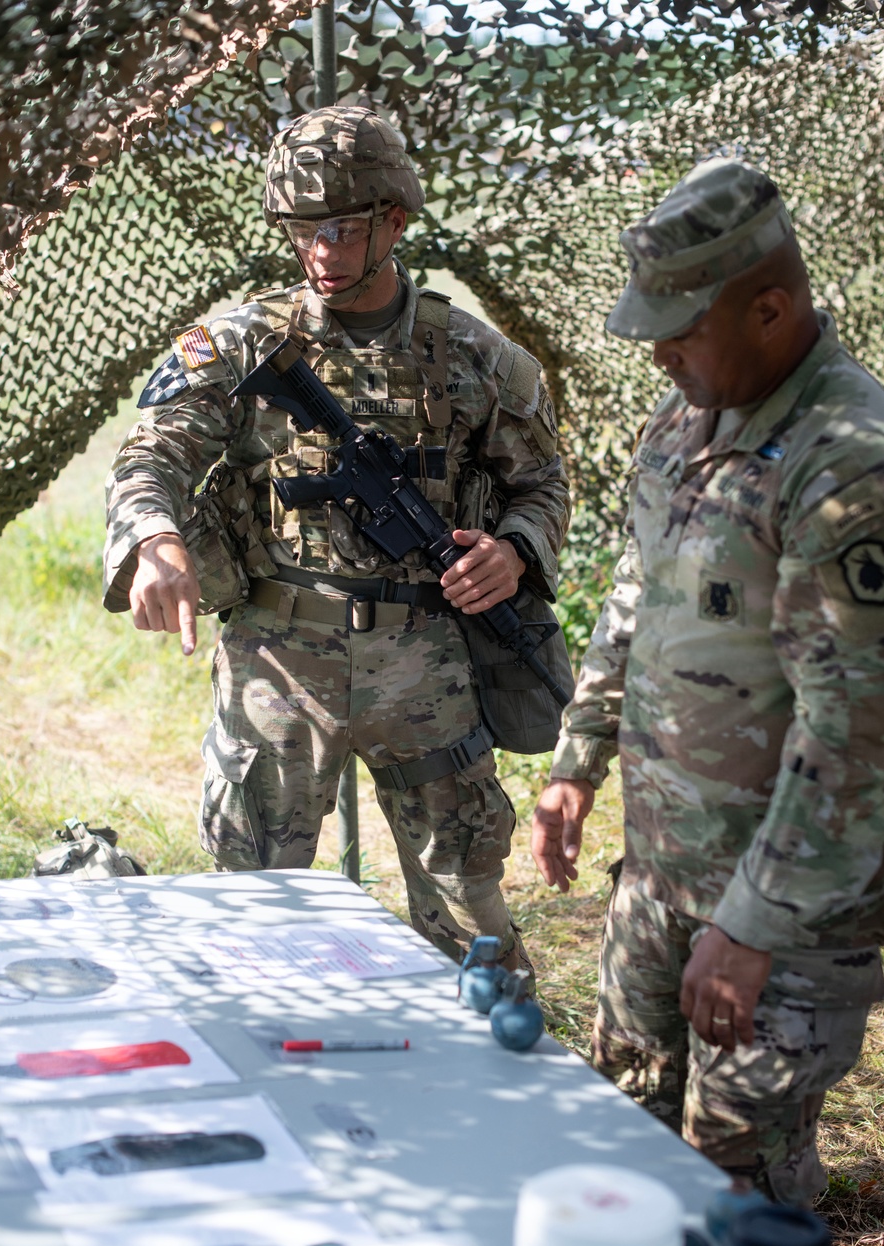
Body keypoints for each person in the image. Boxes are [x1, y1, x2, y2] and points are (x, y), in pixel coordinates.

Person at [531, 157, 884, 1203]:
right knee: (623, 1146)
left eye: (679, 326)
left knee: (730, 1187)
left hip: (784, 915)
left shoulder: (851, 468)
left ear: (770, 307)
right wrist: (577, 762)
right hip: (660, 874)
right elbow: (633, 603)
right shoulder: (680, 428)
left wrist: (752, 925)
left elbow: (865, 736)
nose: (658, 352)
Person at [104, 106, 569, 970]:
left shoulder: (472, 354)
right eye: (302, 229)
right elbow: (152, 454)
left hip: (425, 655)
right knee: (252, 908)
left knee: (472, 905)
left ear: (396, 220)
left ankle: (498, 1067)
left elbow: (541, 483)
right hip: (280, 656)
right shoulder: (244, 344)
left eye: (344, 228)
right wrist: (154, 537)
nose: (320, 251)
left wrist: (513, 550)